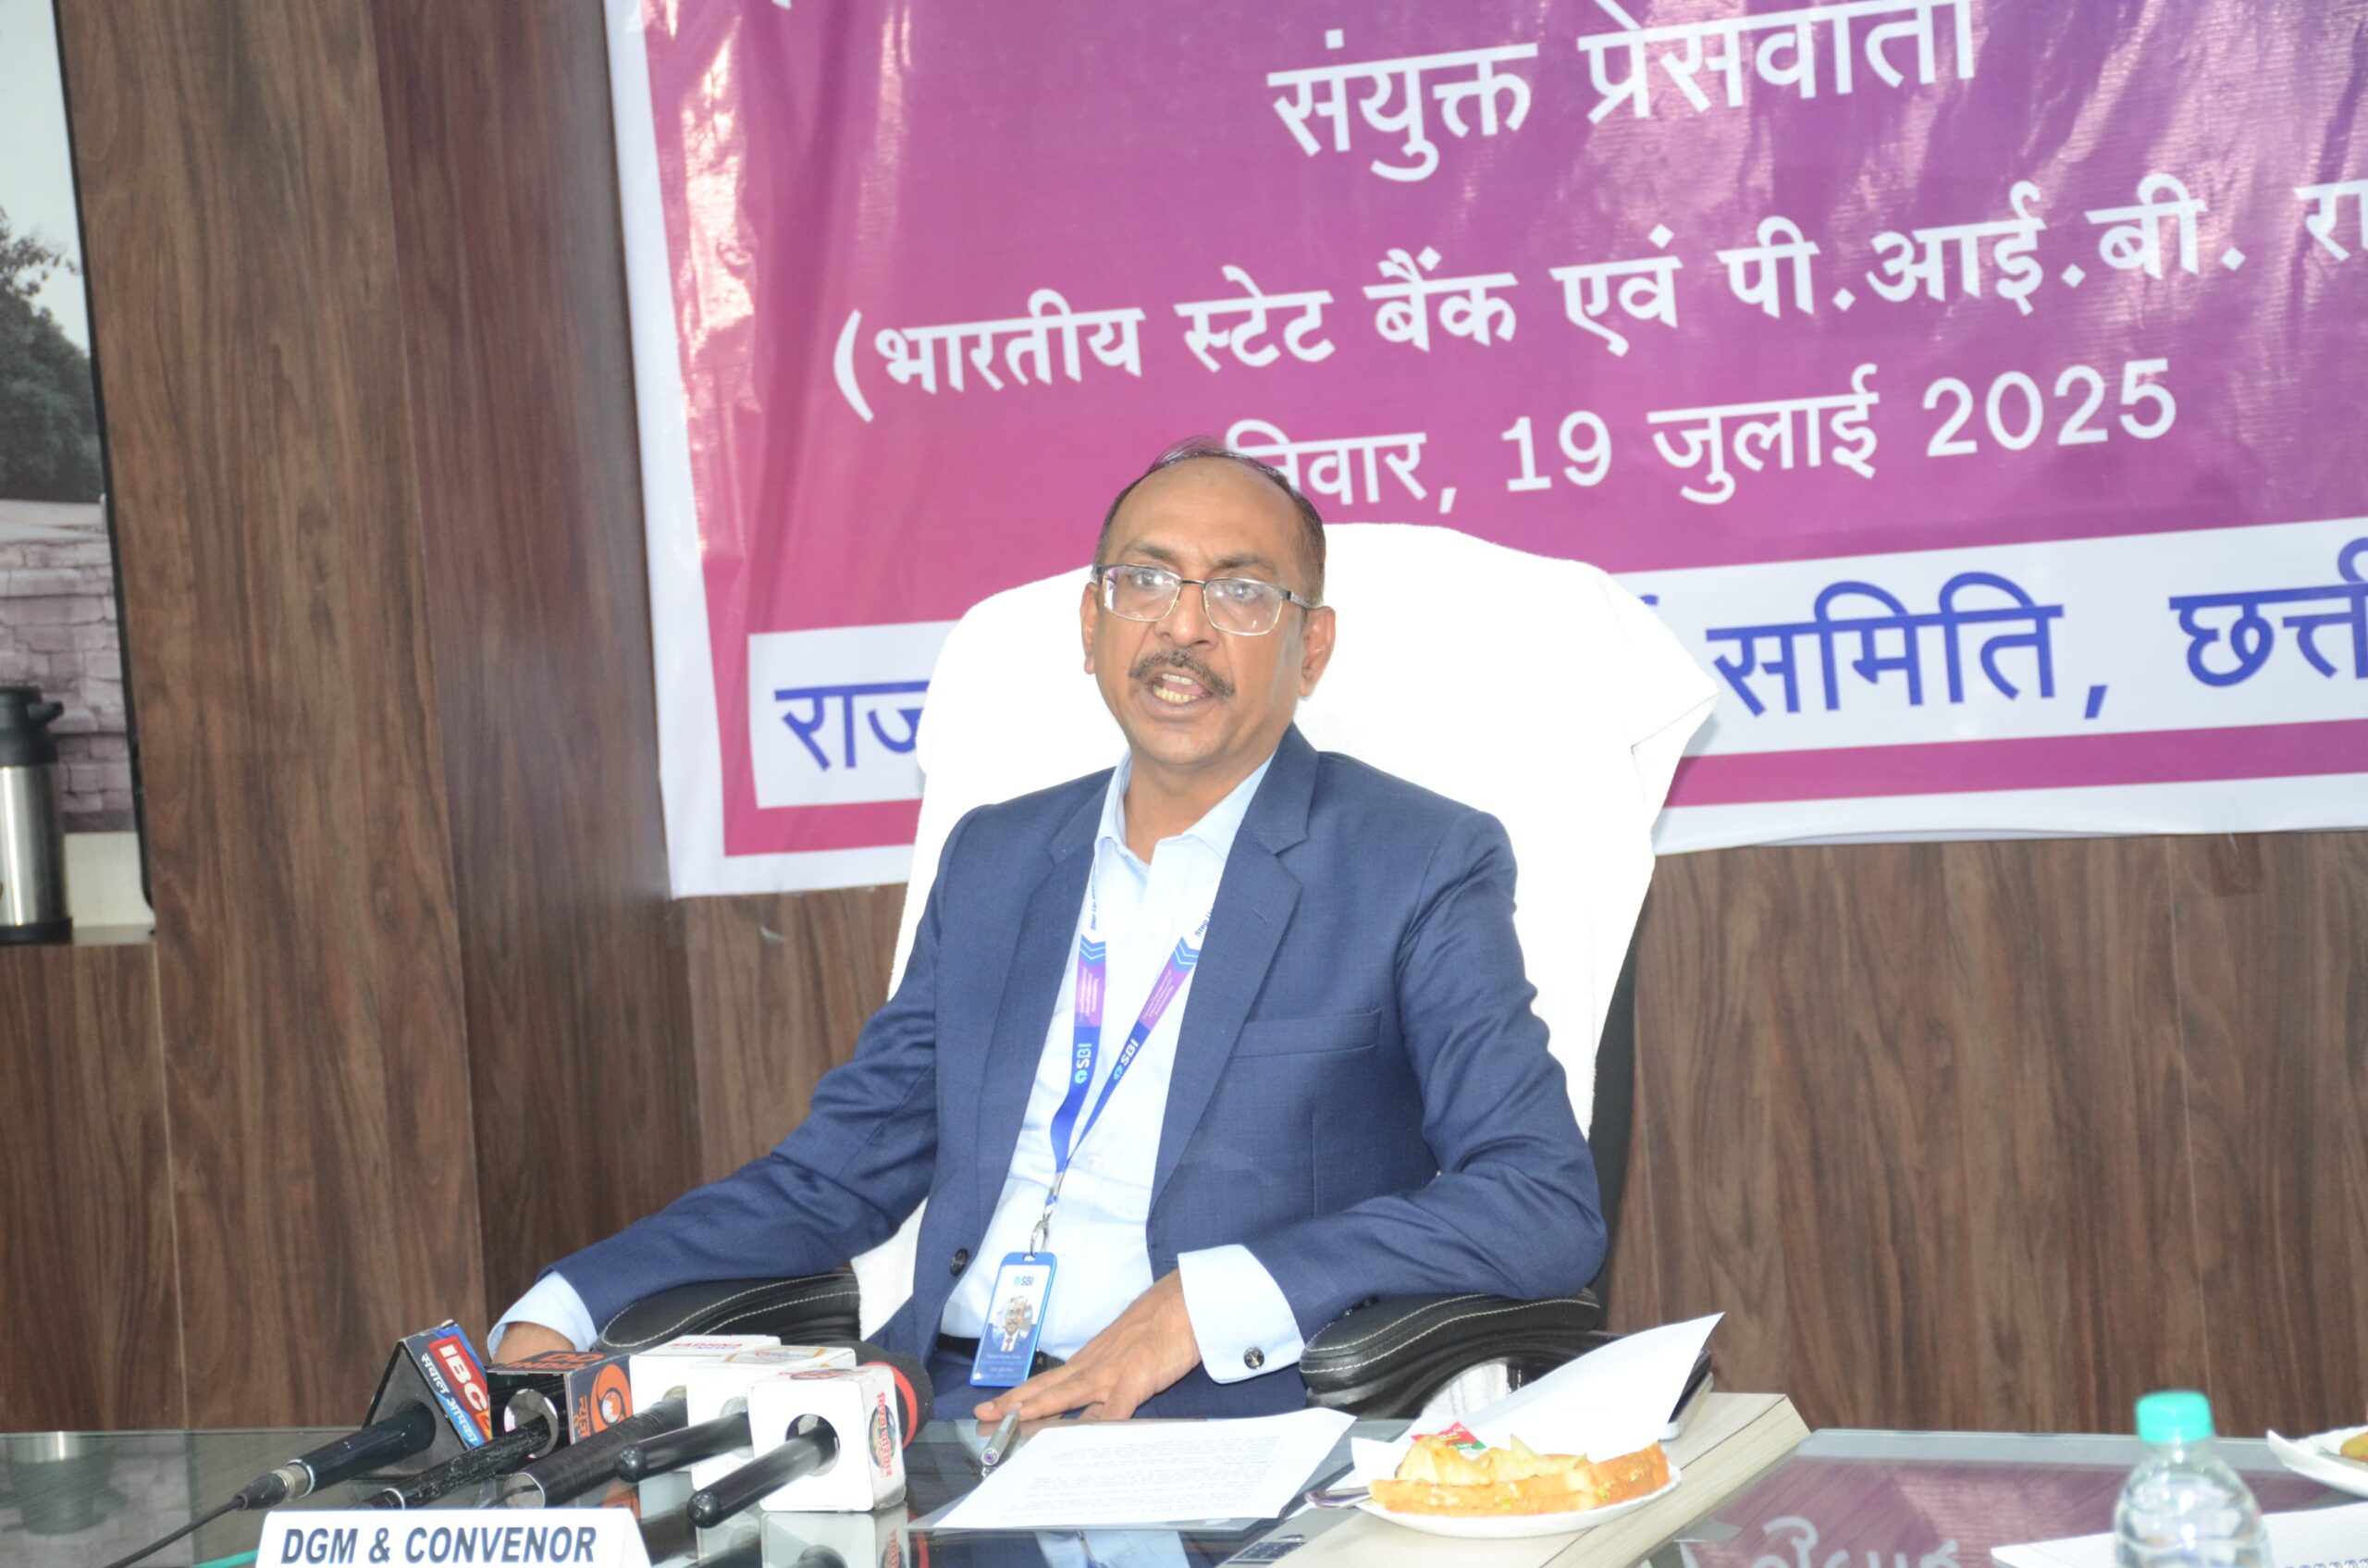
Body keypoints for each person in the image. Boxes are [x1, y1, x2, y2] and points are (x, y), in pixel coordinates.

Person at [495, 438, 1605, 1419]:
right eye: (1144, 581)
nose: (1182, 627)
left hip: (1218, 1428)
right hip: (938, 1414)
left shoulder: (1414, 862)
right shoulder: (997, 860)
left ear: (1309, 650)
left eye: (1240, 593)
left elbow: (1540, 1201)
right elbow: (835, 1175)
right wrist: (571, 1304)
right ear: (1090, 625)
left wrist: (1207, 1304)